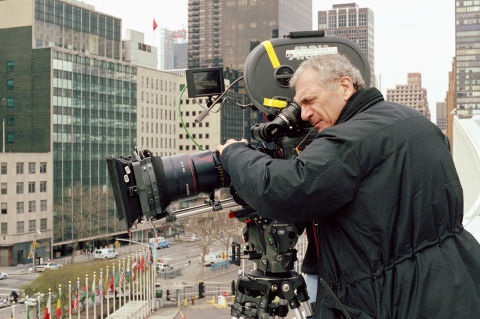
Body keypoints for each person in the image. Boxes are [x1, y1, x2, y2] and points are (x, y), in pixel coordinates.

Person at [216, 53, 480, 318]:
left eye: (309, 101)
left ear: (345, 86)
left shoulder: (349, 139)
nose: (305, 114)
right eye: (299, 105)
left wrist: (234, 154)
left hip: (390, 296)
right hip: (452, 282)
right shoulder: (415, 121)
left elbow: (285, 190)